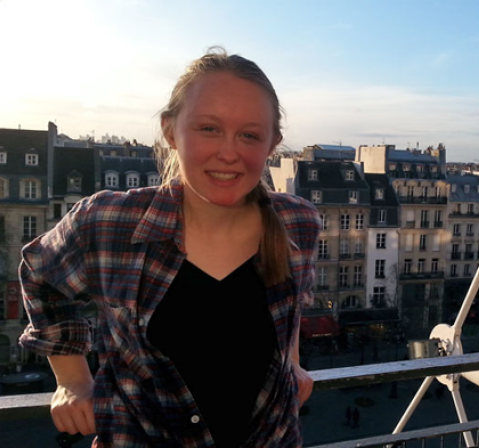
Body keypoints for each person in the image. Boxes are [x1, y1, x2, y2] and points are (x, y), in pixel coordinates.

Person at [19, 48, 320, 448]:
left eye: (249, 134)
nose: (229, 152)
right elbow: (41, 275)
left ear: (272, 144)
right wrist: (72, 379)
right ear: (169, 130)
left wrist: (291, 364)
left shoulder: (298, 222)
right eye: (208, 129)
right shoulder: (110, 221)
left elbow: (290, 305)